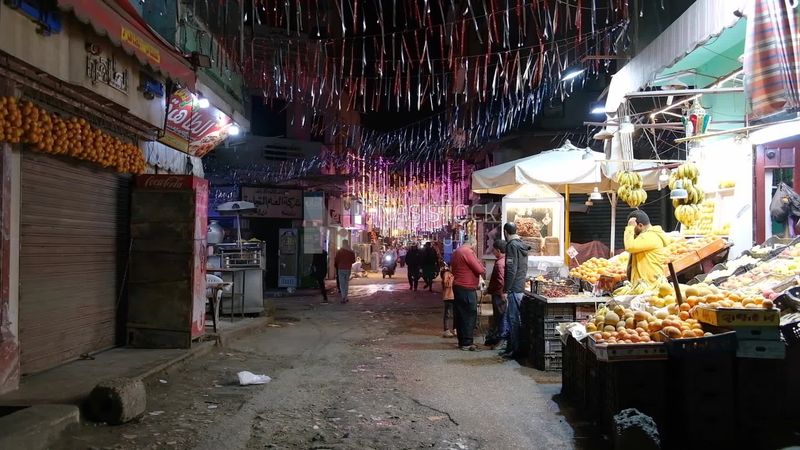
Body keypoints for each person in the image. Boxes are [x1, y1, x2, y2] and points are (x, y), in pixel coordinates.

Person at [450, 238, 486, 351]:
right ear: (473, 243)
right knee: (469, 315)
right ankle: (467, 342)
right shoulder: (467, 252)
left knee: (460, 315)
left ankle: (462, 341)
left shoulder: (456, 252)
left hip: (458, 286)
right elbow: (480, 269)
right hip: (466, 287)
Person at [501, 223, 530, 359]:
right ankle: (512, 348)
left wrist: (506, 289)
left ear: (505, 232)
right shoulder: (521, 244)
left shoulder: (512, 246)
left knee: (513, 320)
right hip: (520, 287)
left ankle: (515, 351)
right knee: (515, 319)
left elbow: (511, 270)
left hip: (514, 289)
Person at [625, 210, 670, 284]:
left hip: (650, 284)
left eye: (633, 227)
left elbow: (629, 247)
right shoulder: (648, 235)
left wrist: (629, 228)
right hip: (646, 283)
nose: (633, 230)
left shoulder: (650, 236)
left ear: (640, 225)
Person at [486, 239, 509, 350]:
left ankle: (502, 341)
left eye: (494, 250)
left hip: (499, 295)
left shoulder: (500, 263)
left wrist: (501, 293)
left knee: (501, 317)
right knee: (501, 317)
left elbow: (500, 280)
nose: (493, 252)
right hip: (499, 293)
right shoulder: (505, 260)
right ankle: (499, 340)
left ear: (498, 250)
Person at [440, 265, 456, 338]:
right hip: (448, 296)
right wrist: (453, 278)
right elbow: (447, 284)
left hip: (456, 296)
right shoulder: (447, 273)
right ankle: (446, 329)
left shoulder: (456, 273)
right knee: (448, 313)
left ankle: (455, 328)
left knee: (456, 313)